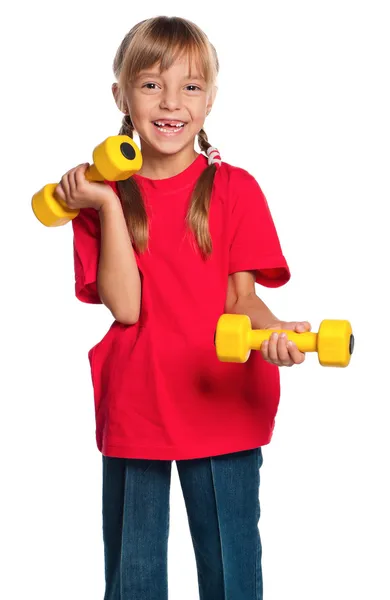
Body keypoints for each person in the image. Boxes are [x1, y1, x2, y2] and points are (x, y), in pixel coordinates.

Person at [54, 15, 311, 600]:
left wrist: (280, 333)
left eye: (190, 86)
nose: (171, 102)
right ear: (120, 94)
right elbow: (124, 308)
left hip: (222, 399)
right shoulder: (99, 199)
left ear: (211, 100)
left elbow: (243, 299)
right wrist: (108, 205)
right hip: (139, 401)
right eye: (150, 84)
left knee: (232, 574)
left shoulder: (234, 189)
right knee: (134, 577)